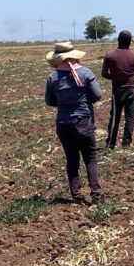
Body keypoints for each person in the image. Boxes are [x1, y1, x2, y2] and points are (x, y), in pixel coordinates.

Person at [44, 42, 104, 205]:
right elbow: (97, 95)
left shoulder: (53, 77)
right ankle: (96, 195)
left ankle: (76, 196)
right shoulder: (85, 73)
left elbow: (50, 101)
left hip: (63, 123)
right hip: (83, 121)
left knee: (72, 159)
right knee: (90, 158)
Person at [102, 30, 134, 150]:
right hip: (131, 89)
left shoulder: (109, 55)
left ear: (118, 40)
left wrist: (115, 78)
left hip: (117, 90)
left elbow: (104, 73)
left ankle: (111, 144)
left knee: (115, 116)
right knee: (130, 117)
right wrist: (130, 79)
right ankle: (126, 143)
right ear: (130, 42)